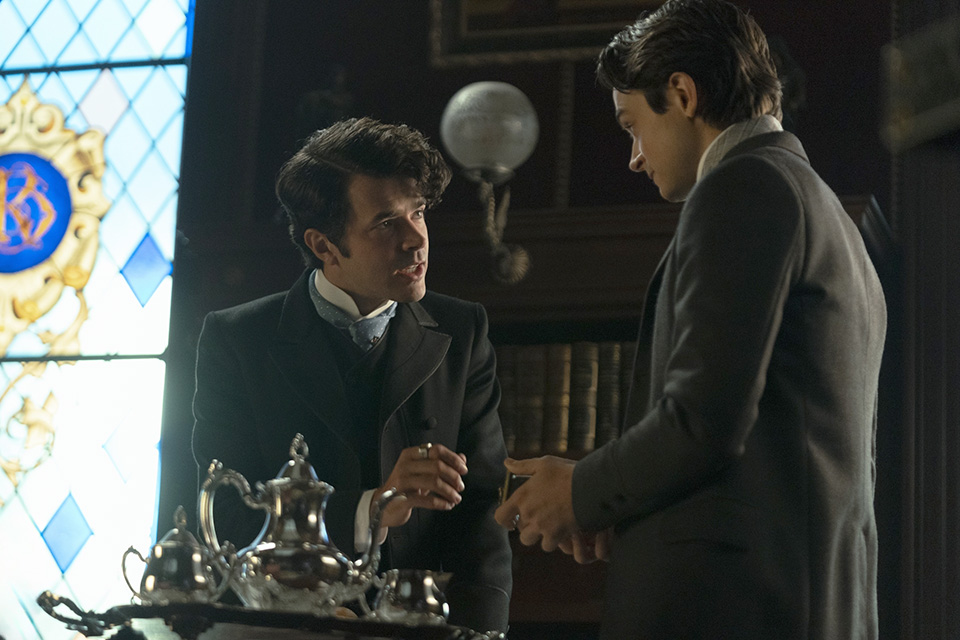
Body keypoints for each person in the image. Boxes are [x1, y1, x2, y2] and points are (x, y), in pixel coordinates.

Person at [494, 1, 886, 638]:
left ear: (681, 94)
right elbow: (762, 447)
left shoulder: (741, 187)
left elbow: (702, 421)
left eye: (633, 126)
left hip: (732, 611)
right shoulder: (826, 211)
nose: (634, 157)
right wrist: (618, 509)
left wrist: (579, 490)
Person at [192, 117, 511, 632]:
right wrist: (371, 509)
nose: (416, 240)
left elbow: (482, 513)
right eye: (386, 223)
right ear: (323, 246)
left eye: (418, 213)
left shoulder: (463, 329)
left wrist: (481, 635)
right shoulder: (238, 340)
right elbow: (226, 517)